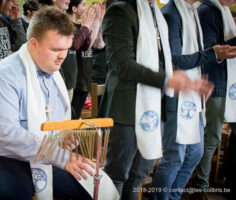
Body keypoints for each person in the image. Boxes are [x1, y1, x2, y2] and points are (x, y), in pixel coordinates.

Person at [0, 7, 95, 200]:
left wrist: (63, 138)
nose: (62, 56)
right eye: (55, 49)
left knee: (92, 185)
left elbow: (50, 123)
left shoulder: (53, 72)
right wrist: (62, 157)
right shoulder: (3, 75)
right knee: (14, 194)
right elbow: (8, 134)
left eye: (66, 49)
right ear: (34, 44)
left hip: (40, 157)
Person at [99, 0, 212, 199]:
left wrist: (181, 82)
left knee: (139, 173)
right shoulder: (120, 10)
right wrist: (168, 80)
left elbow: (163, 60)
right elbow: (121, 64)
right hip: (126, 109)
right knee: (117, 174)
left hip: (153, 105)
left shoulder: (155, 13)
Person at [151, 0, 236, 199]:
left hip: (192, 90)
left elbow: (197, 53)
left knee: (195, 153)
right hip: (176, 93)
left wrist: (201, 75)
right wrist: (212, 54)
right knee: (174, 157)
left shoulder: (191, 11)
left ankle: (173, 196)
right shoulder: (172, 13)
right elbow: (175, 59)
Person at [191, 0, 236, 199]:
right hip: (214, 83)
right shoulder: (207, 12)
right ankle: (200, 186)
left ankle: (221, 181)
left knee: (213, 137)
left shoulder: (222, 11)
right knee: (211, 138)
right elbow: (210, 51)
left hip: (227, 83)